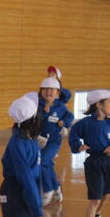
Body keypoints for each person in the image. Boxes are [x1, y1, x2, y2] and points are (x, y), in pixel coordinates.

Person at [0, 92, 47, 217]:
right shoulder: (18, 143)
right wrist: (35, 201)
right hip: (15, 190)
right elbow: (24, 175)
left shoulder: (28, 140)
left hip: (26, 187)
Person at [68, 89, 110, 217]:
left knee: (107, 194)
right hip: (94, 163)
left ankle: (98, 213)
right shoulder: (85, 124)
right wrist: (77, 146)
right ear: (99, 105)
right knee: (95, 198)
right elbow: (73, 134)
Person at [37, 77, 73, 205]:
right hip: (40, 141)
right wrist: (44, 113)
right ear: (41, 91)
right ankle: (56, 187)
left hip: (54, 141)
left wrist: (64, 123)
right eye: (45, 89)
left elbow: (70, 116)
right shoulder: (37, 105)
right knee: (48, 164)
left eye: (52, 89)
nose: (48, 92)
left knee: (43, 162)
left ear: (57, 93)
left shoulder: (61, 107)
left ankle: (48, 190)